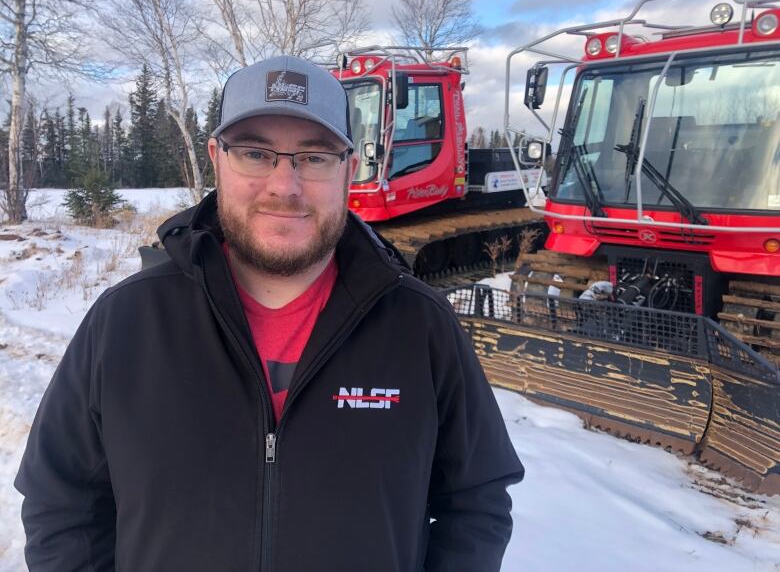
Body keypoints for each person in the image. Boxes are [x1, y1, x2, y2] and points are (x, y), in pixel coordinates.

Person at [15, 55, 524, 572]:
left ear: (348, 168)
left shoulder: (421, 327)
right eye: (256, 154)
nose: (285, 186)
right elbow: (63, 504)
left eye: (315, 156)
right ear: (216, 158)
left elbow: (476, 503)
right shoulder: (125, 324)